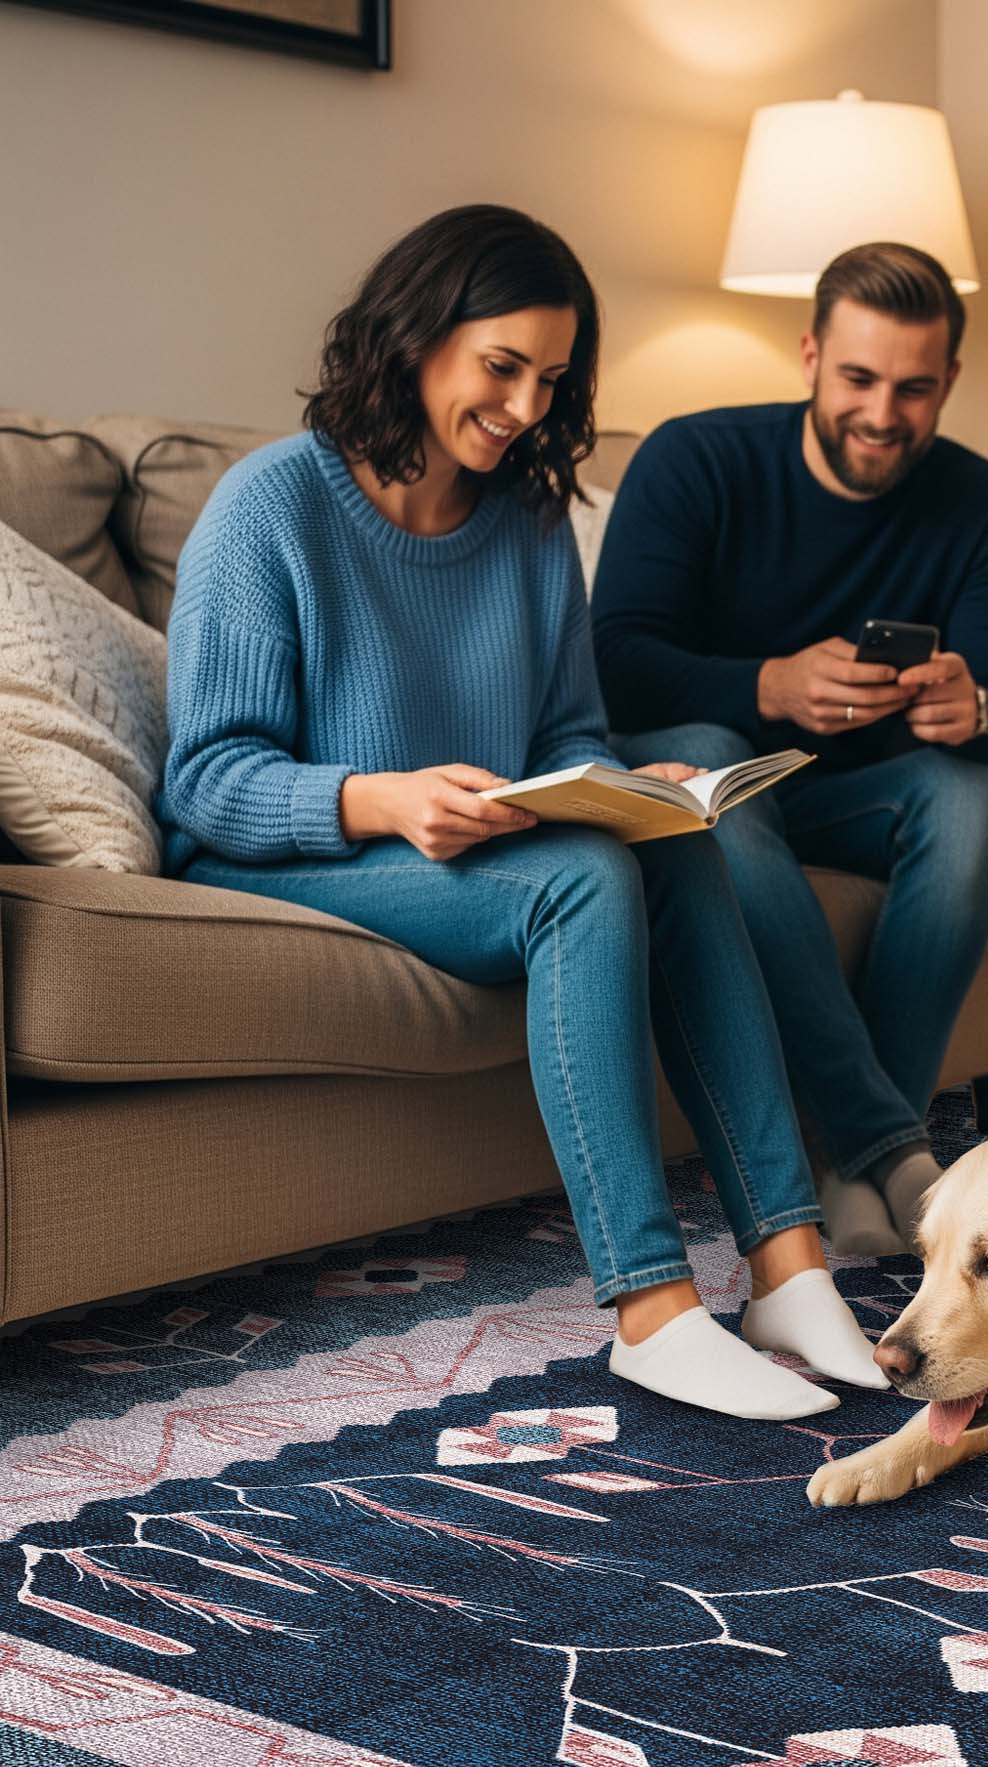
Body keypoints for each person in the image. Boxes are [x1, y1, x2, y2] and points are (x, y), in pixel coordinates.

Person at [155, 204, 887, 1422]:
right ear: (415, 337)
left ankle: (787, 1262)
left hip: (472, 848)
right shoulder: (268, 506)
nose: (525, 407)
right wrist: (380, 798)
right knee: (583, 880)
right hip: (283, 852)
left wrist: (615, 787)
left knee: (666, 845)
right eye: (502, 367)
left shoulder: (532, 517)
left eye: (549, 378)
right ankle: (651, 1310)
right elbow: (205, 779)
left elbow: (560, 735)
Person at [590, 241, 988, 1257]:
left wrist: (975, 709)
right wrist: (767, 682)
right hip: (703, 770)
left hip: (852, 794)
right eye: (858, 378)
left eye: (914, 389)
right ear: (807, 357)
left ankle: (849, 1161)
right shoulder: (694, 459)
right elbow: (612, 663)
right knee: (713, 756)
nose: (883, 414)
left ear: (949, 383)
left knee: (970, 795)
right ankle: (889, 1145)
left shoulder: (983, 503)